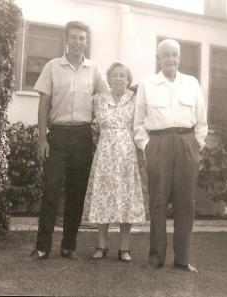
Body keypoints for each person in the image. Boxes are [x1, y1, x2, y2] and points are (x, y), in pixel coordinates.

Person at [30, 21, 108, 260]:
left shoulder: (93, 70)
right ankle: (43, 246)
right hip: (58, 136)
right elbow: (43, 105)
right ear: (66, 39)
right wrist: (43, 138)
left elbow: (106, 100)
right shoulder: (52, 67)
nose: (77, 42)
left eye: (82, 38)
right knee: (51, 190)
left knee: (76, 193)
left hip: (83, 136)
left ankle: (68, 247)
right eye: (74, 37)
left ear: (86, 42)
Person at [133, 39, 208, 272]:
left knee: (185, 204)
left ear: (180, 57)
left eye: (175, 55)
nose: (171, 59)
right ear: (159, 58)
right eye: (166, 55)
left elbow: (202, 120)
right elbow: (138, 123)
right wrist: (147, 147)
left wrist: (196, 144)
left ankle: (182, 260)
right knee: (158, 203)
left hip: (187, 144)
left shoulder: (191, 83)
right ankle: (156, 258)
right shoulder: (148, 84)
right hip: (159, 145)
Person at [83, 62, 146, 262]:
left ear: (129, 80)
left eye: (123, 76)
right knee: (103, 197)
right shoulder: (98, 99)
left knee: (125, 199)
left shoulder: (136, 100)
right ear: (108, 79)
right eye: (115, 75)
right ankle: (101, 246)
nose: (119, 78)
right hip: (105, 154)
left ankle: (124, 248)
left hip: (127, 154)